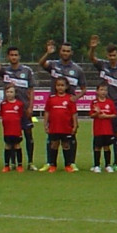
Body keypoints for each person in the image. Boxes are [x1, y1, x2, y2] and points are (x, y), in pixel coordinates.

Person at [39, 40, 85, 171]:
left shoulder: (77, 69)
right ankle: (50, 162)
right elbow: (41, 63)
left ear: (72, 53)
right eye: (63, 50)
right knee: (52, 137)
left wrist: (76, 97)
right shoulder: (53, 65)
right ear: (60, 51)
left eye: (68, 51)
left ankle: (71, 162)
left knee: (70, 136)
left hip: (68, 107)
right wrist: (47, 53)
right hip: (54, 106)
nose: (65, 53)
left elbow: (84, 88)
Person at [88, 35, 117, 171]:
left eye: (114, 55)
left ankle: (115, 162)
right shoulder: (103, 65)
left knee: (116, 134)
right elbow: (91, 58)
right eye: (110, 55)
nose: (112, 57)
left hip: (116, 106)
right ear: (107, 55)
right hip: (102, 105)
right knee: (101, 135)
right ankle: (99, 163)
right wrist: (93, 48)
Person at [0, 36, 36, 170]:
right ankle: (11, 163)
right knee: (11, 138)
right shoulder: (6, 71)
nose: (14, 57)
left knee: (28, 134)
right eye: (11, 55)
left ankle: (30, 162)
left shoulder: (26, 71)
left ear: (19, 57)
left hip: (24, 108)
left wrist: (31, 106)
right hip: (11, 111)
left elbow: (31, 90)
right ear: (8, 57)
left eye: (16, 55)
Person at [43, 77, 77, 173]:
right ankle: (53, 165)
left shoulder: (70, 99)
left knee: (66, 145)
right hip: (54, 127)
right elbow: (47, 112)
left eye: (62, 85)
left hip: (66, 127)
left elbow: (74, 113)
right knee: (54, 145)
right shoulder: (51, 98)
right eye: (58, 85)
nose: (60, 87)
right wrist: (45, 124)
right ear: (55, 86)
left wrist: (75, 125)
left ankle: (68, 165)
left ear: (66, 87)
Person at [89, 83, 117, 173]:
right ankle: (97, 165)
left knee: (106, 147)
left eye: (105, 90)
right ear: (97, 91)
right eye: (101, 90)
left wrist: (106, 116)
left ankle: (107, 165)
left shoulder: (110, 102)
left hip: (107, 130)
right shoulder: (94, 102)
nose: (103, 92)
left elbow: (114, 114)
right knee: (97, 147)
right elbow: (91, 115)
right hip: (98, 129)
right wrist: (97, 114)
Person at [0, 84, 26, 172]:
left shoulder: (19, 104)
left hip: (16, 130)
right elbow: (3, 115)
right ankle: (6, 165)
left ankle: (20, 165)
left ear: (15, 93)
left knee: (17, 145)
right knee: (7, 146)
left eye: (11, 92)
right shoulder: (3, 104)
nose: (9, 94)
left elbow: (20, 116)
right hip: (7, 130)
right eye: (7, 92)